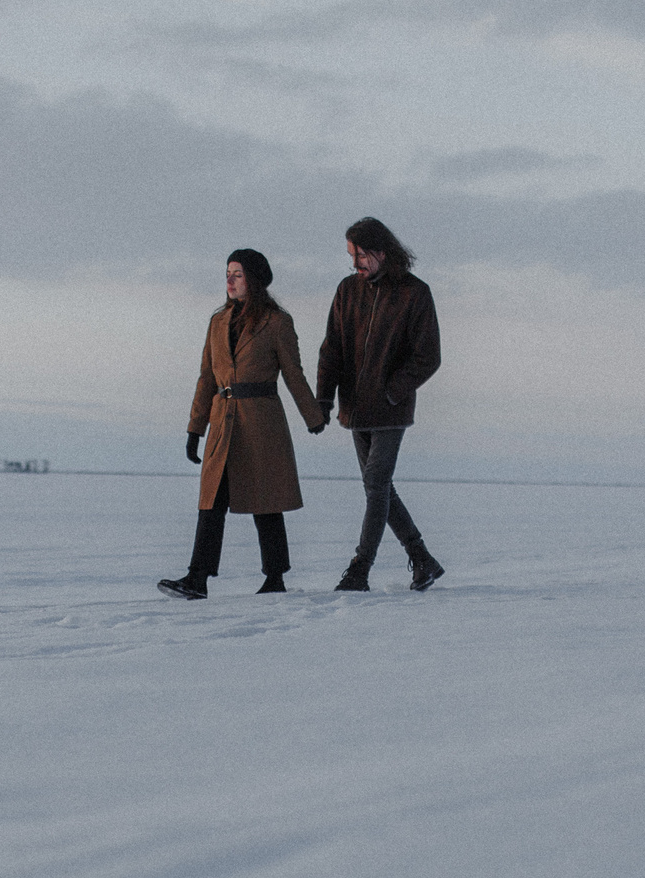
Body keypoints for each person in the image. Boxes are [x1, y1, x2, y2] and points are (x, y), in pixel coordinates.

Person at [158, 248, 327, 599]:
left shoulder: (277, 322)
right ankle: (197, 578)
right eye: (227, 273)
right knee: (211, 501)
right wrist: (195, 429)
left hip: (261, 422)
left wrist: (312, 416)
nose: (229, 280)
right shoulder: (217, 322)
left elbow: (293, 373)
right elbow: (207, 376)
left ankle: (275, 578)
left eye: (237, 274)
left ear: (254, 279)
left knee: (266, 501)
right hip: (222, 421)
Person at [314, 216, 443, 592]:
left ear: (381, 253)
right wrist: (323, 399)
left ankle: (360, 570)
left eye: (360, 256)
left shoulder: (414, 293)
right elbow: (331, 349)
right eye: (351, 256)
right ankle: (422, 559)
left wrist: (392, 391)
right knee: (380, 488)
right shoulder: (346, 291)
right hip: (354, 408)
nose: (355, 264)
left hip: (390, 409)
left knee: (375, 484)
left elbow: (428, 356)